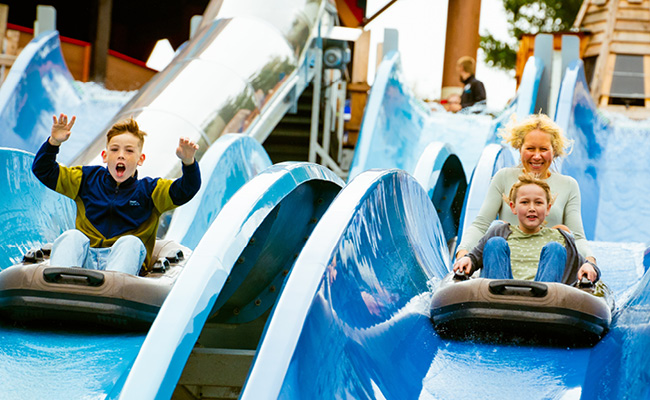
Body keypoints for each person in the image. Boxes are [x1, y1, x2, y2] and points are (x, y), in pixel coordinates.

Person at [32, 114, 201, 276]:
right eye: (114, 149)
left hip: (123, 266)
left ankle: (111, 295)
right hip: (86, 259)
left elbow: (186, 189)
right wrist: (53, 143)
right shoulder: (86, 179)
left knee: (130, 242)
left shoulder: (151, 191)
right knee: (72, 236)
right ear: (105, 156)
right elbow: (43, 170)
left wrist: (188, 163)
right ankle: (57, 288)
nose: (121, 155)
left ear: (140, 159)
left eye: (129, 151)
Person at [456, 113, 599, 274]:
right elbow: (481, 225)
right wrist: (463, 253)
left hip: (549, 269)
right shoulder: (503, 177)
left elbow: (577, 236)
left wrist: (589, 261)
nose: (536, 156)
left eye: (544, 149)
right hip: (504, 266)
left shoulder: (568, 185)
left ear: (554, 151)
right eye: (530, 148)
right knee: (496, 236)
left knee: (559, 241)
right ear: (520, 147)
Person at [453, 174, 599, 284]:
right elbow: (474, 258)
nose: (531, 208)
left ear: (548, 208)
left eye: (538, 203)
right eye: (524, 202)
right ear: (513, 207)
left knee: (555, 248)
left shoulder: (560, 237)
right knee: (495, 243)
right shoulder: (499, 231)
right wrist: (467, 260)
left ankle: (542, 302)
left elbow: (584, 266)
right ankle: (496, 298)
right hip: (499, 295)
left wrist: (590, 267)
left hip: (545, 298)